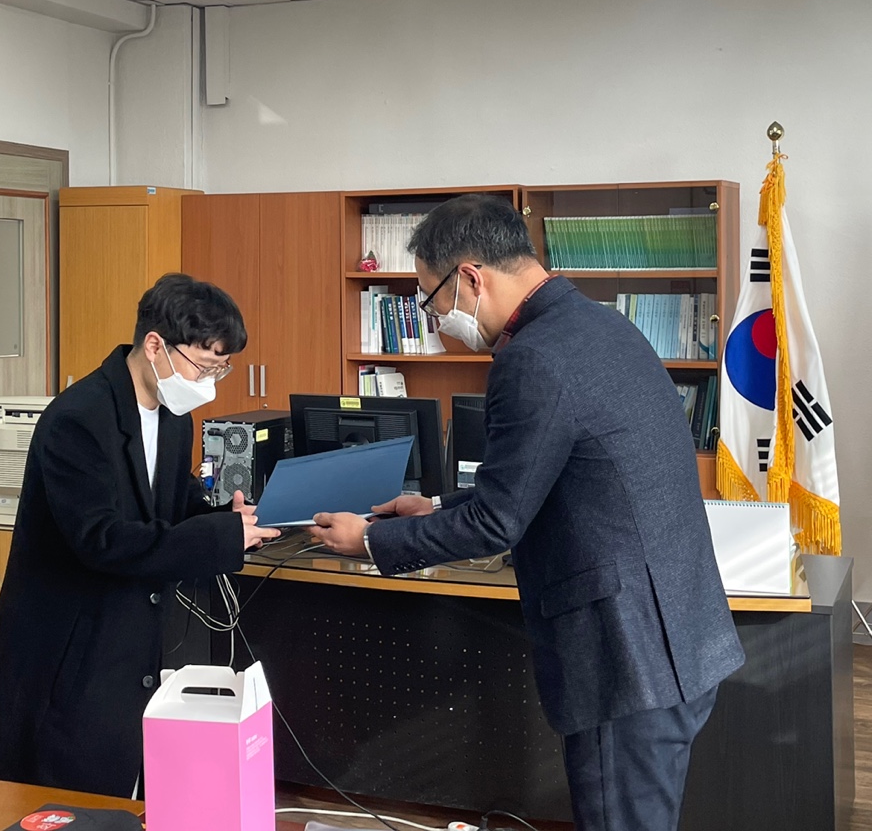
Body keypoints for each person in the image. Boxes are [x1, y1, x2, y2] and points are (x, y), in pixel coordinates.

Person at [310, 195, 744, 831]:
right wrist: (434, 506)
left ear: (470, 278)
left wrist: (371, 543)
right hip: (679, 635)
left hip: (626, 661)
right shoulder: (599, 325)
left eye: (431, 301)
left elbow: (496, 522)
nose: (437, 323)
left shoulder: (532, 357)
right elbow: (548, 478)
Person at [0, 273, 280, 797]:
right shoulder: (78, 418)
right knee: (52, 794)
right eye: (204, 366)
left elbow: (168, 503)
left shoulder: (173, 415)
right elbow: (102, 539)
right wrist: (218, 538)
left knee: (116, 781)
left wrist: (224, 517)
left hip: (127, 632)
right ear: (155, 346)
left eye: (220, 369)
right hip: (66, 643)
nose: (209, 382)